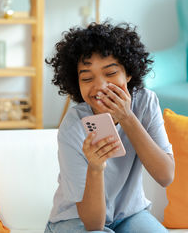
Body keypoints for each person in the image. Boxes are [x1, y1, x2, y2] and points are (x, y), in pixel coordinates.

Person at [44, 22, 174, 233]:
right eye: (87, 78)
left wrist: (127, 117)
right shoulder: (72, 127)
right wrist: (95, 168)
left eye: (111, 73)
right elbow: (93, 225)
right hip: (75, 220)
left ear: (128, 74)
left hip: (129, 215)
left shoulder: (145, 103)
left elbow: (166, 176)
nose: (100, 86)